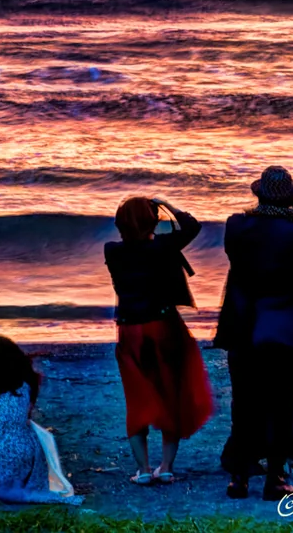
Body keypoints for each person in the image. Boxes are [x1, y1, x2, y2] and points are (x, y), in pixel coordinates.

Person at [213, 165, 293, 501]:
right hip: (283, 330)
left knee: (244, 402)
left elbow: (234, 254)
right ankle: (276, 478)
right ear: (292, 197)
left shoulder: (236, 225)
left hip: (243, 327)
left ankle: (239, 477)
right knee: (282, 403)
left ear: (259, 193)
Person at [104, 196, 214, 484]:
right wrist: (167, 205)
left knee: (137, 395)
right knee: (170, 392)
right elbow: (192, 226)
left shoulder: (112, 251)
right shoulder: (162, 247)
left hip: (130, 330)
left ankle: (142, 470)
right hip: (165, 326)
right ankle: (165, 467)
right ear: (153, 221)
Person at [0, 334, 82, 505]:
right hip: (16, 457)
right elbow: (25, 417)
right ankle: (1, 479)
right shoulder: (24, 386)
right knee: (31, 435)